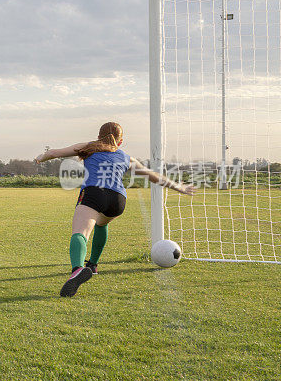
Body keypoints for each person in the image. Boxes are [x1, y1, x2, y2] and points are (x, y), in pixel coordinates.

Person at [35, 122, 194, 297]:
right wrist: (179, 187)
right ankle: (93, 265)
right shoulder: (126, 157)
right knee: (101, 224)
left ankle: (77, 269)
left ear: (98, 136)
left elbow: (53, 153)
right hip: (118, 200)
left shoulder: (88, 147)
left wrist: (40, 158)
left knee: (80, 233)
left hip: (94, 193)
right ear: (120, 141)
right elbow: (153, 176)